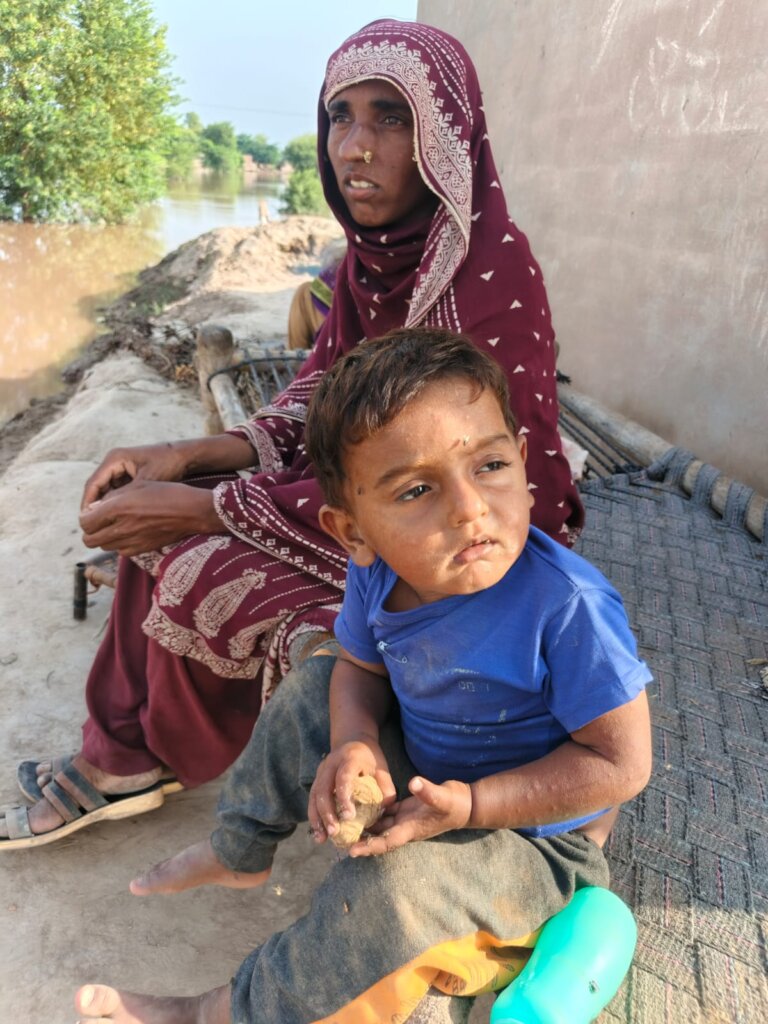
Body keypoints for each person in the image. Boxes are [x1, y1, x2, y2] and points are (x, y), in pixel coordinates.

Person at [0, 19, 583, 848]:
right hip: (369, 511)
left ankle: (152, 761)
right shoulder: (369, 265)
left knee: (200, 561)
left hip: (467, 553)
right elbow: (320, 399)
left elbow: (444, 487)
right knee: (159, 511)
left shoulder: (489, 277)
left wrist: (209, 510)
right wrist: (189, 458)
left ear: (448, 140)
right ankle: (125, 755)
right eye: (340, 117)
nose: (356, 146)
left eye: (391, 118)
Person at [73, 329, 652, 1024]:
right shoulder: (378, 573)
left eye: (490, 464)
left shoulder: (568, 608)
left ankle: (222, 1010)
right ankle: (241, 846)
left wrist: (470, 808)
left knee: (386, 890)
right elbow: (358, 669)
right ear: (352, 531)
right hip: (432, 772)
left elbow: (621, 765)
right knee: (315, 683)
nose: (470, 508)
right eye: (416, 489)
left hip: (535, 838)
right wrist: (354, 741)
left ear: (523, 461)